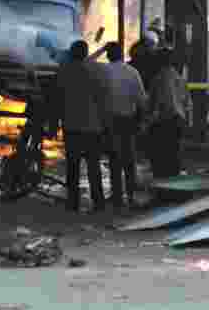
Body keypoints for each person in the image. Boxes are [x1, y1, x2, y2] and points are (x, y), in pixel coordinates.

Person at [53, 40, 108, 212]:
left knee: (73, 167)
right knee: (93, 167)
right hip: (93, 126)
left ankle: (72, 203)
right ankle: (98, 203)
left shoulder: (64, 71)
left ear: (71, 53)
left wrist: (55, 123)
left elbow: (58, 99)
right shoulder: (98, 70)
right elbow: (103, 97)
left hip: (71, 126)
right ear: (85, 52)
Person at [98, 41, 148, 210]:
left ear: (108, 55)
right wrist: (141, 122)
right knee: (129, 161)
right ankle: (131, 196)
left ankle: (117, 197)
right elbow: (142, 101)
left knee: (114, 160)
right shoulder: (132, 72)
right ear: (121, 54)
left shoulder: (103, 72)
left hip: (109, 122)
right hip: (128, 121)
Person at [145, 48, 191, 182]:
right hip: (177, 122)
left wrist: (148, 123)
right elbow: (187, 103)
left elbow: (160, 105)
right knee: (174, 159)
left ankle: (164, 191)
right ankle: (173, 190)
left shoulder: (159, 79)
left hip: (164, 123)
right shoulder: (179, 78)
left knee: (161, 160)